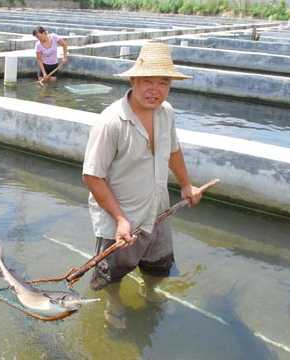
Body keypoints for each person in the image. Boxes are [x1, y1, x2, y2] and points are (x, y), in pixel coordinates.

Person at [82, 41, 203, 330]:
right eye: (147, 81)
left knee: (159, 264)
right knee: (112, 272)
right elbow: (92, 176)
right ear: (133, 81)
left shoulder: (167, 112)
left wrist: (186, 185)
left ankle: (149, 291)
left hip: (158, 209)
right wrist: (120, 219)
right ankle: (114, 303)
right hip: (120, 218)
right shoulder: (112, 122)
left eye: (163, 82)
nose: (155, 89)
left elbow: (173, 150)